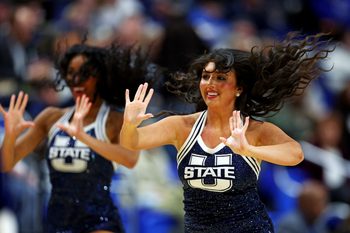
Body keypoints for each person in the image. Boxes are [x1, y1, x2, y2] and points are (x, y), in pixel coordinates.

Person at [119, 32, 333, 232]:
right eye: (206, 76)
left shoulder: (252, 130)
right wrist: (129, 124)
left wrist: (250, 149)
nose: (210, 84)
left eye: (220, 78)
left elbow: (295, 153)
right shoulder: (181, 126)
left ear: (239, 88)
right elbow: (131, 143)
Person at [0, 42, 155, 233]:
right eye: (71, 72)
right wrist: (10, 135)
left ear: (100, 77)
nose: (76, 79)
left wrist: (84, 136)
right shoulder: (51, 117)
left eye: (84, 73)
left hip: (99, 220)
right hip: (58, 221)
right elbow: (7, 163)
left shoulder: (114, 120)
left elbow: (130, 159)